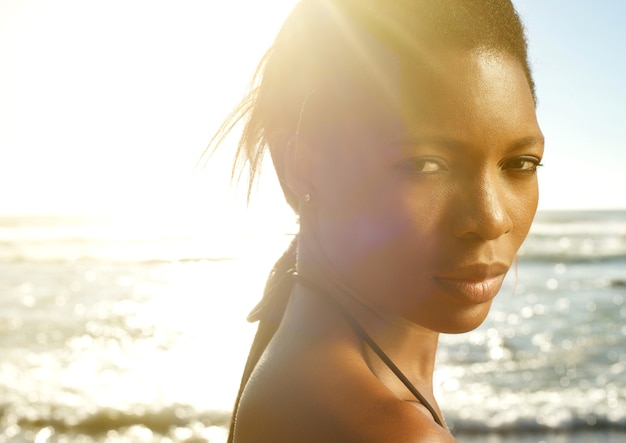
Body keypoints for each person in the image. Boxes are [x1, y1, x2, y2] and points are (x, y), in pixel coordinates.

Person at [208, 0, 544, 441]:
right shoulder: (389, 430)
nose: (491, 219)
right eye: (425, 164)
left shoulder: (299, 343)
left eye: (519, 163)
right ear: (306, 165)